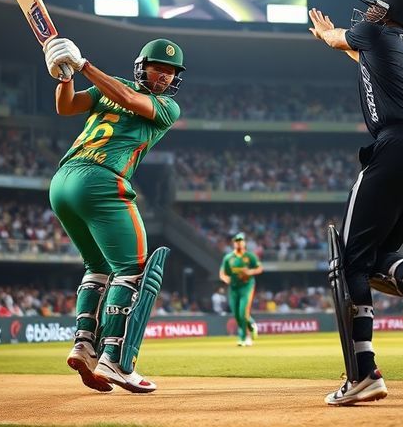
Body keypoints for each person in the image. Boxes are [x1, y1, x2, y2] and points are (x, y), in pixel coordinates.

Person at [308, 0, 403, 406]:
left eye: (375, 7)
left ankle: (362, 373)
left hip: (399, 148)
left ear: (387, 14)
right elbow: (361, 59)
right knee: (374, 260)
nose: (368, 12)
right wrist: (339, 43)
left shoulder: (374, 34)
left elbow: (343, 39)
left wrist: (325, 35)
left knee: (348, 260)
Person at [43, 36, 185, 394]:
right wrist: (65, 76)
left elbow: (127, 100)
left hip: (62, 184)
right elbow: (68, 104)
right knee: (134, 271)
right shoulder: (120, 87)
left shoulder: (164, 106)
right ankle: (115, 358)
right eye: (159, 68)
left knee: (98, 268)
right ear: (142, 67)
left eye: (170, 72)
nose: (165, 78)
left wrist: (80, 67)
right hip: (101, 178)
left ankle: (84, 345)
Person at [219, 233, 263, 346]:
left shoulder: (250, 256)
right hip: (233, 287)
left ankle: (244, 338)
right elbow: (222, 273)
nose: (239, 242)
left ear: (244, 242)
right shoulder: (228, 258)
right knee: (236, 314)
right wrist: (225, 279)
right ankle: (251, 324)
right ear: (234, 243)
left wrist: (250, 272)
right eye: (237, 241)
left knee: (243, 311)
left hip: (246, 286)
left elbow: (259, 268)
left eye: (241, 240)